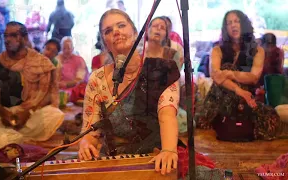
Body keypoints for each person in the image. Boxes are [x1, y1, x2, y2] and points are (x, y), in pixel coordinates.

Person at [78, 9, 180, 175]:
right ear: (104, 41)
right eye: (108, 31)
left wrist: (169, 150)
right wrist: (85, 143)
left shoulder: (161, 71)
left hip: (155, 160)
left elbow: (166, 115)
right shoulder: (97, 79)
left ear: (135, 32)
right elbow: (90, 131)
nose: (116, 32)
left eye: (121, 25)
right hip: (112, 162)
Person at [196, 10, 280, 140]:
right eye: (229, 23)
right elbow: (216, 75)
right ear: (225, 28)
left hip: (247, 99)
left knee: (271, 121)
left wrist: (230, 74)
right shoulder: (217, 49)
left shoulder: (257, 50)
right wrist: (238, 90)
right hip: (219, 99)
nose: (233, 25)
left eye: (236, 21)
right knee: (226, 67)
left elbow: (253, 77)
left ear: (244, 25)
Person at [0, 21, 64, 154]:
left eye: (13, 35)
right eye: (5, 36)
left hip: (32, 112)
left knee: (55, 114)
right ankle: (12, 135)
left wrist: (28, 112)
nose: (7, 40)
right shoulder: (0, 61)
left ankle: (9, 136)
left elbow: (47, 95)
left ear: (25, 38)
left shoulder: (41, 62)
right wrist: (5, 114)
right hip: (5, 112)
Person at [56, 36, 89, 104]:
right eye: (64, 48)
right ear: (61, 48)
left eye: (68, 48)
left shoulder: (79, 60)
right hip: (59, 90)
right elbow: (55, 78)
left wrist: (65, 85)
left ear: (73, 48)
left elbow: (79, 80)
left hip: (75, 89)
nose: (66, 50)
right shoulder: (57, 59)